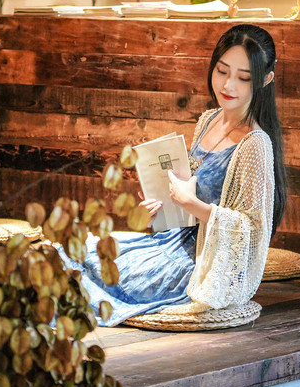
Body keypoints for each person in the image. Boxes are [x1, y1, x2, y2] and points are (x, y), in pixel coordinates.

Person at [59, 23, 287, 327]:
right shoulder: (208, 120)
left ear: (265, 80)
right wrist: (164, 205)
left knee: (91, 275)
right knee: (70, 252)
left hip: (194, 264)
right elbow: (191, 197)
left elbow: (252, 230)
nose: (228, 85)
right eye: (222, 71)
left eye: (243, 78)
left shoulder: (255, 144)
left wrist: (190, 203)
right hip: (169, 241)